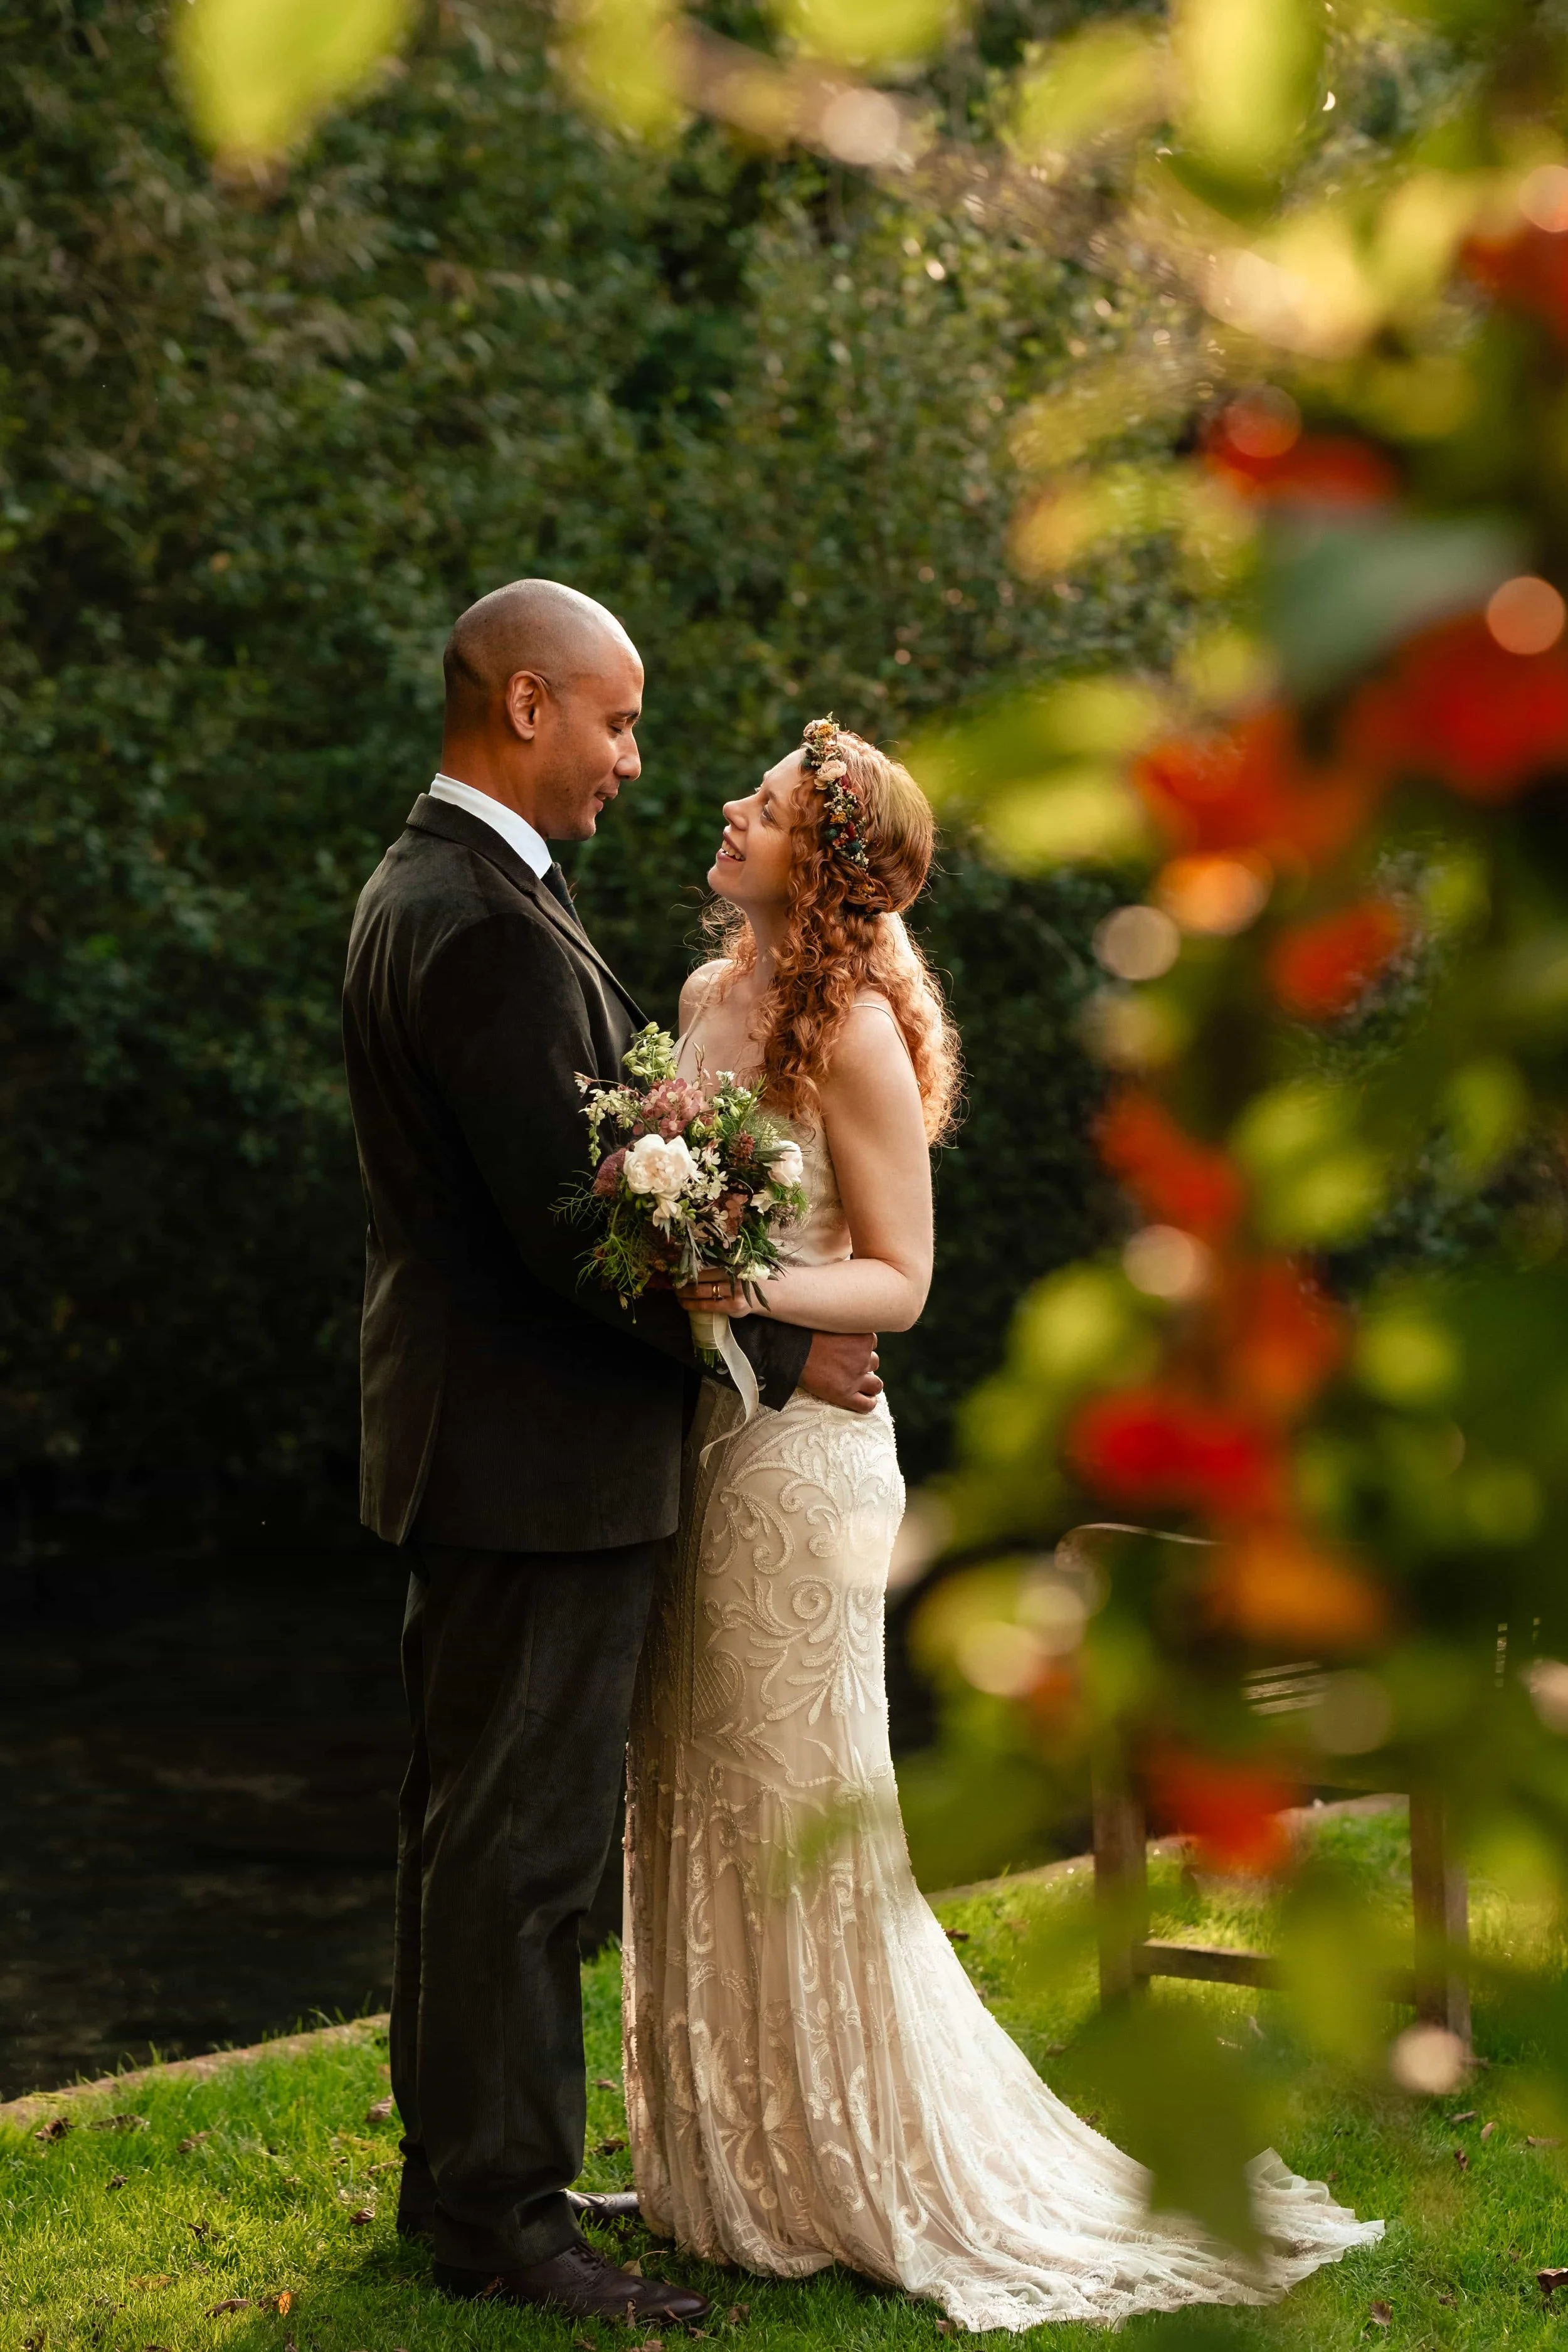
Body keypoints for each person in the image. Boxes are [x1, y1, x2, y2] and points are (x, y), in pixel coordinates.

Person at [621, 718, 1385, 2332]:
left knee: (797, 1797)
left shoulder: (858, 1037)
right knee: (689, 1780)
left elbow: (897, 1282)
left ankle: (846, 2161)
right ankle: (718, 2162)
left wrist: (736, 1280)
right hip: (696, 1442)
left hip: (805, 1469)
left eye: (755, 808)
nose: (724, 813)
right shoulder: (699, 1003)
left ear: (813, 862)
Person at [341, 583, 882, 2324]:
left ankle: (461, 2175)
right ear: (523, 703)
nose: (635, 761)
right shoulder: (480, 918)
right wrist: (783, 1340)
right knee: (523, 1846)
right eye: (616, 721)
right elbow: (579, 1230)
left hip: (474, 1441)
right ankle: (505, 2217)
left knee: (466, 1827)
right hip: (533, 1456)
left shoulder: (445, 883)